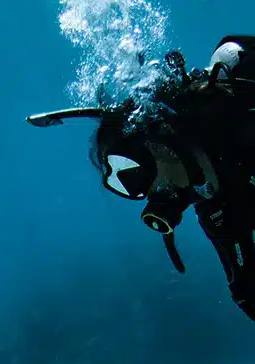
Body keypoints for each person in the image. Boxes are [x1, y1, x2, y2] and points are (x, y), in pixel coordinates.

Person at [27, 36, 255, 320]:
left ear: (160, 146)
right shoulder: (213, 206)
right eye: (125, 185)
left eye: (135, 174)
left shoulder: (242, 123)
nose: (149, 192)